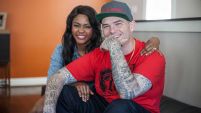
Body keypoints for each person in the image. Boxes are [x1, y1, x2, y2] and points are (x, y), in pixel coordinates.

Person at [30, 5, 159, 113]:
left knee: (119, 106)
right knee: (60, 93)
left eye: (118, 23)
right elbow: (55, 78)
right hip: (103, 101)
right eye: (106, 26)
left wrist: (114, 46)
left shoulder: (150, 54)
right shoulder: (96, 53)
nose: (112, 30)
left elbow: (128, 94)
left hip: (130, 106)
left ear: (131, 26)